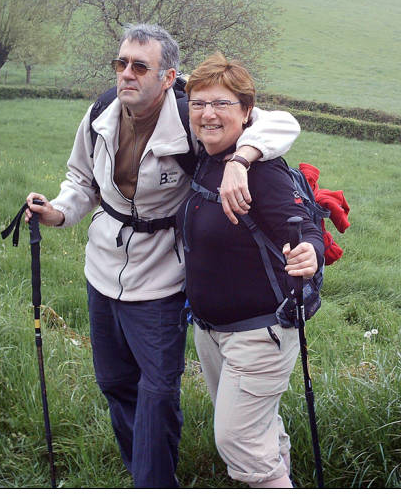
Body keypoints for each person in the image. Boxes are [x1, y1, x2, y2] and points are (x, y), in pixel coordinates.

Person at [23, 24, 300, 487]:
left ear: (169, 77)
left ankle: (154, 482)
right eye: (121, 63)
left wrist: (239, 160)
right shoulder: (101, 113)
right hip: (102, 267)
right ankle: (144, 470)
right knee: (114, 382)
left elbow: (281, 123)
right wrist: (57, 212)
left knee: (156, 391)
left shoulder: (192, 114)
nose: (125, 74)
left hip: (161, 277)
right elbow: (81, 181)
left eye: (139, 66)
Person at [176, 52, 323, 488]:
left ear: (247, 113)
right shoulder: (205, 156)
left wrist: (310, 252)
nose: (208, 114)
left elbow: (305, 226)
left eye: (222, 104)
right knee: (259, 433)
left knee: (238, 441)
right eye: (199, 104)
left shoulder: (262, 171)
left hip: (260, 334)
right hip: (211, 332)